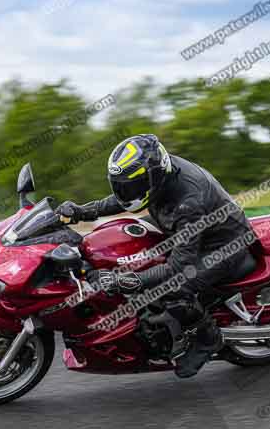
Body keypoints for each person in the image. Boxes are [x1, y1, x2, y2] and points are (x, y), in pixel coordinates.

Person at [57, 134, 256, 378]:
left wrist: (126, 280)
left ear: (153, 178)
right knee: (128, 246)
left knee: (171, 286)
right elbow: (125, 200)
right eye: (121, 185)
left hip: (224, 244)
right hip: (183, 228)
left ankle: (208, 338)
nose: (126, 191)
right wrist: (83, 211)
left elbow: (178, 269)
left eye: (130, 186)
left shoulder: (188, 202)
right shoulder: (158, 174)